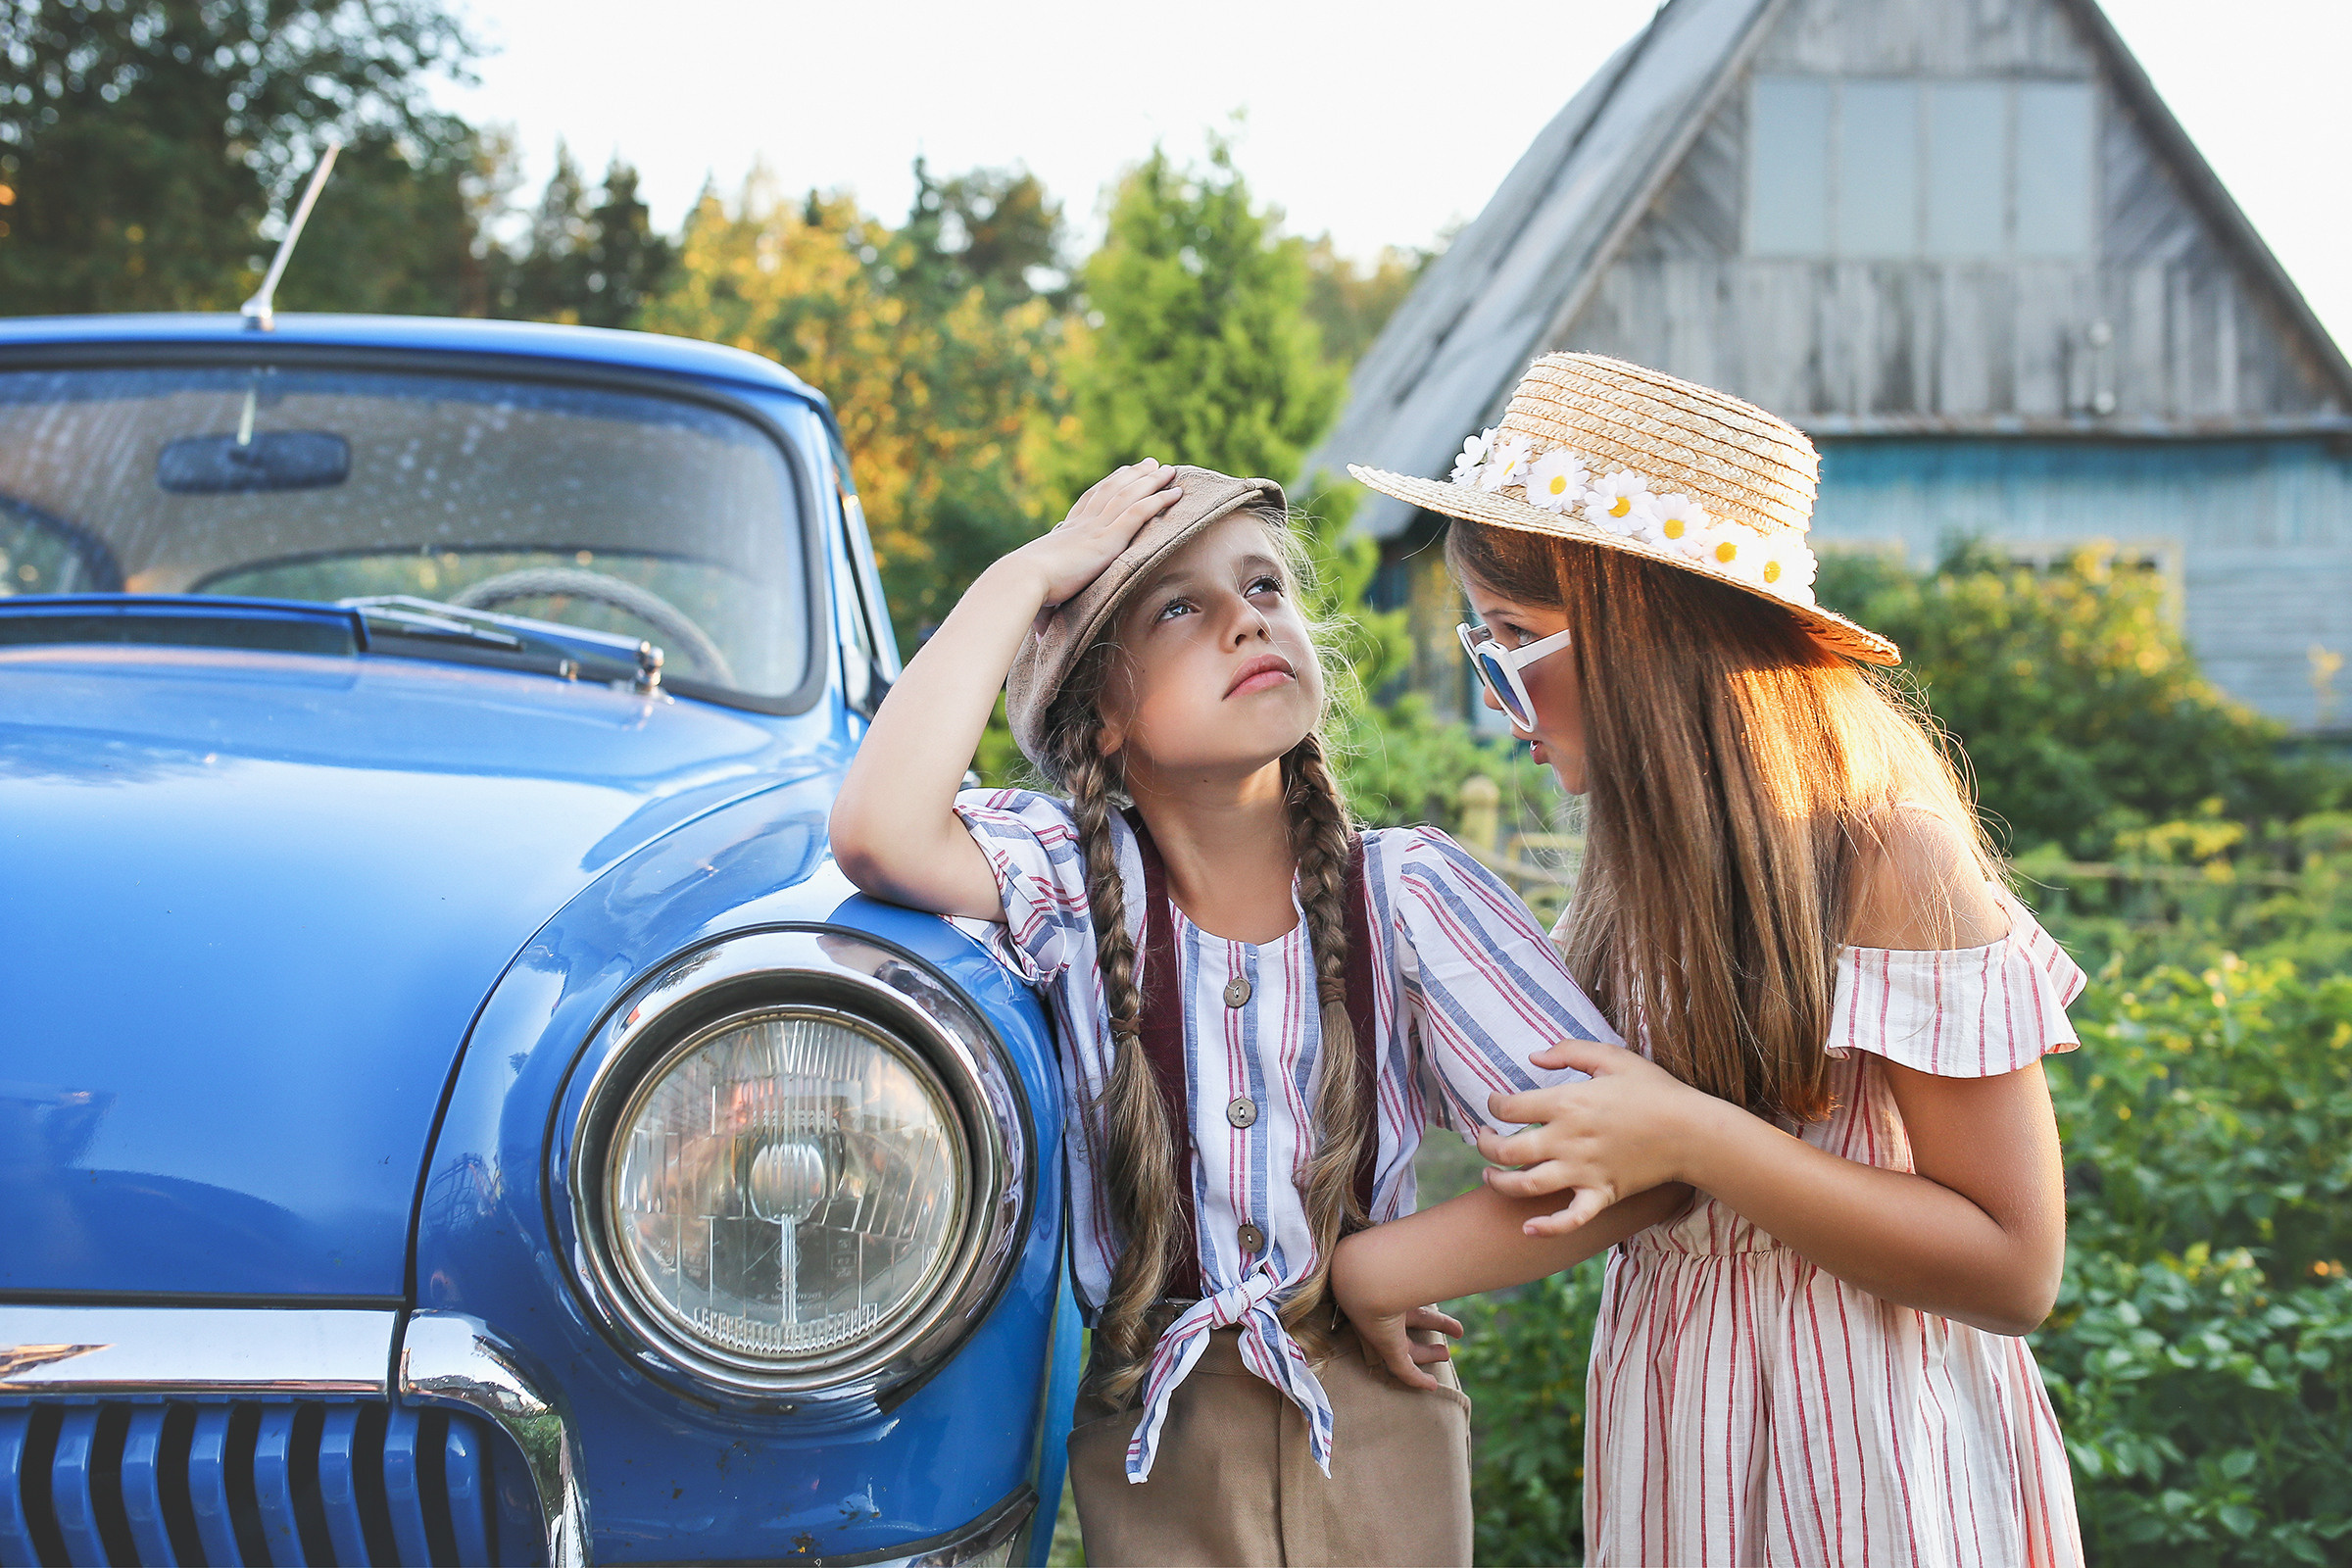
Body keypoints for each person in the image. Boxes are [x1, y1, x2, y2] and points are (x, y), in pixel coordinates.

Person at [828, 460, 1676, 1567]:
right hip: (1154, 1435)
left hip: (1377, 1422)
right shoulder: (1070, 888)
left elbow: (1634, 1162)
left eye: (1265, 586)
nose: (1247, 619)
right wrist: (1029, 574)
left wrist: (1380, 1271)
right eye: (1180, 609)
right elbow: (880, 830)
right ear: (1105, 713)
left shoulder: (1409, 892)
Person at [1332, 353, 2086, 1566]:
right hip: (1684, 1429)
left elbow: (2014, 1264)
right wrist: (1366, 1276)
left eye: (1513, 641)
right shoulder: (1639, 871)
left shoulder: (1886, 856)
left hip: (1869, 1453)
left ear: (1646, 635)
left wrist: (1698, 1135)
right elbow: (1625, 1180)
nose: (1498, 700)